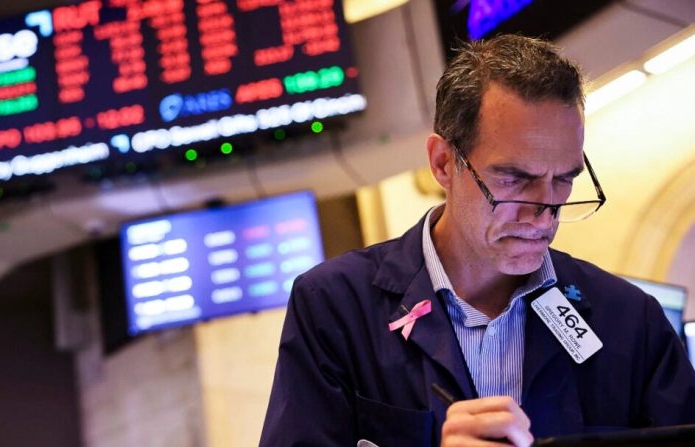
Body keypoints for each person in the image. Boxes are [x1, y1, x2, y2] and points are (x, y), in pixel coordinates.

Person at [259, 34, 695, 446]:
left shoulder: (630, 321)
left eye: (563, 180)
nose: (543, 213)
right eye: (514, 179)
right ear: (443, 162)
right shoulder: (335, 307)